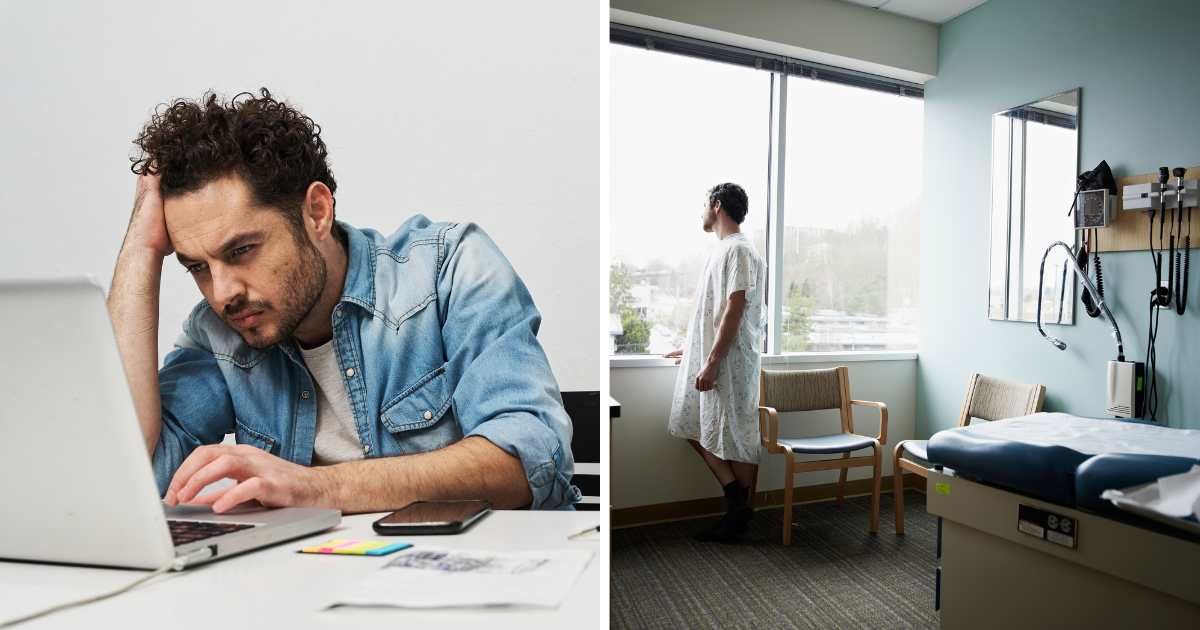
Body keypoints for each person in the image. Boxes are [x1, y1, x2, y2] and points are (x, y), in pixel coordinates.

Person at [108, 88, 578, 513]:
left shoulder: (449, 269)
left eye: (242, 251)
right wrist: (140, 251)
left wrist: (316, 488)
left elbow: (531, 457)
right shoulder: (219, 334)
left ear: (316, 211)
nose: (223, 292)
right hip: (323, 587)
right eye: (197, 267)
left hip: (487, 579)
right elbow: (128, 473)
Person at [665, 183, 766, 542]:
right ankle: (738, 504)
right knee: (691, 424)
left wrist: (710, 362)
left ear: (717, 205)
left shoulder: (738, 249)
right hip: (718, 357)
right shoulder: (724, 250)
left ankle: (738, 513)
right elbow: (715, 310)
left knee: (735, 436)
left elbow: (734, 309)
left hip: (731, 362)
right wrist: (692, 348)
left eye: (704, 205)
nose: (702, 213)